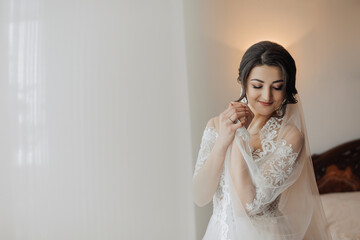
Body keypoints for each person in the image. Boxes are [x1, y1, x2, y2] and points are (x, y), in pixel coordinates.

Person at [192, 41, 332, 240]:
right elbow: (200, 196)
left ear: (287, 89)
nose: (267, 96)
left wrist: (240, 136)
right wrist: (223, 140)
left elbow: (246, 207)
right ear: (243, 82)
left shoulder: (290, 137)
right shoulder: (216, 125)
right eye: (258, 85)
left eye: (277, 87)